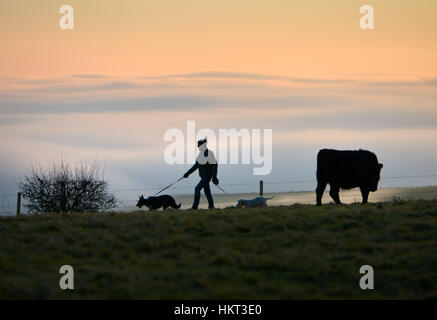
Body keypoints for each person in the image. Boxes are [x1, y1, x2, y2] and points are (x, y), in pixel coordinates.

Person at [183, 138, 219, 210]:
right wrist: (187, 173)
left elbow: (215, 165)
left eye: (199, 145)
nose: (198, 146)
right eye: (197, 145)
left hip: (207, 176)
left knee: (197, 189)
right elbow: (196, 165)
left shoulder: (210, 153)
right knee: (207, 191)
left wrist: (214, 177)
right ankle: (211, 206)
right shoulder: (200, 154)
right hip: (203, 177)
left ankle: (195, 207)